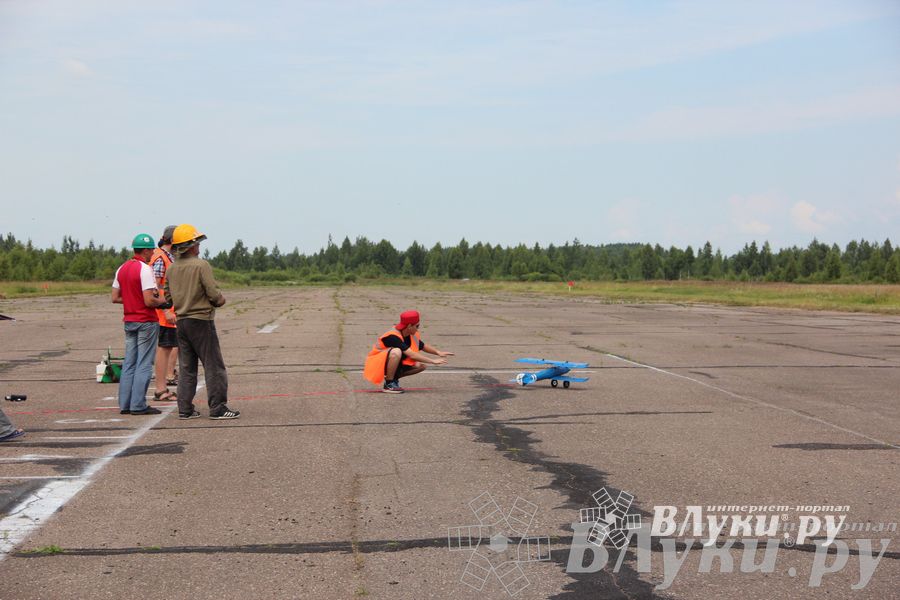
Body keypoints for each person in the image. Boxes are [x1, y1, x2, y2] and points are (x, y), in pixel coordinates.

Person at [165, 224, 239, 420]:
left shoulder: (172, 268)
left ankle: (185, 409)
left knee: (187, 368)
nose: (199, 245)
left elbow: (167, 297)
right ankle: (218, 407)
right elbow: (213, 293)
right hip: (201, 321)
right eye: (196, 242)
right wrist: (220, 300)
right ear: (189, 245)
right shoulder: (201, 265)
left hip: (181, 322)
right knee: (213, 365)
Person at [112, 233, 170, 415]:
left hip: (129, 321)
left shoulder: (122, 268)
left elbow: (115, 297)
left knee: (129, 362)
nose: (153, 253)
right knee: (144, 363)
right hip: (145, 321)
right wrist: (164, 302)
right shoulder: (145, 269)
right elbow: (149, 301)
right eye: (151, 250)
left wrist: (132, 300)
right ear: (145, 250)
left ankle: (125, 404)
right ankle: (138, 404)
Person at [363, 310, 453, 393]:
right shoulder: (392, 336)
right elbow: (412, 355)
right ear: (409, 326)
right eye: (417, 326)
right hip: (377, 364)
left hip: (391, 364)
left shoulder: (410, 334)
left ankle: (394, 379)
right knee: (396, 352)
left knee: (421, 366)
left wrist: (438, 352)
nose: (418, 329)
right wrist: (432, 361)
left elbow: (422, 346)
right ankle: (389, 384)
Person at [151, 225, 179, 402]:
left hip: (168, 311)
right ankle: (161, 389)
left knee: (168, 348)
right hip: (163, 313)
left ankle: (163, 387)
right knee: (164, 349)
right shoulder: (160, 258)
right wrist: (166, 310)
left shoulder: (168, 257)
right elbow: (154, 286)